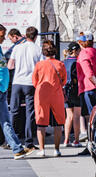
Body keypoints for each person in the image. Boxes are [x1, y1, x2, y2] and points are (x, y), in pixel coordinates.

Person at [0, 24, 34, 159]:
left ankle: (17, 149)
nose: (3, 39)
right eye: (1, 36)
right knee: (5, 121)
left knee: (6, 121)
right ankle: (17, 148)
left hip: (2, 90)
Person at [7, 26, 43, 151]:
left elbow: (10, 66)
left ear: (25, 35)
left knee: (14, 111)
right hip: (30, 83)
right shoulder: (38, 49)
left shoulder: (17, 48)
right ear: (36, 36)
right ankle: (29, 142)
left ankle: (11, 140)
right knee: (30, 113)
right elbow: (41, 68)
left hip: (17, 82)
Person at [32, 40, 67, 157]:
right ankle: (56, 149)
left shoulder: (39, 65)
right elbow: (64, 80)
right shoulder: (60, 64)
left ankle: (42, 150)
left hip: (41, 95)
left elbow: (34, 81)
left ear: (43, 52)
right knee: (58, 123)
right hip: (56, 95)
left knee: (41, 123)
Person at [62, 41, 82, 148]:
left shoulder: (64, 61)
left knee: (69, 116)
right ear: (76, 51)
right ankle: (76, 140)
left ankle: (66, 140)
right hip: (76, 90)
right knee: (77, 116)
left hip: (66, 91)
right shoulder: (78, 62)